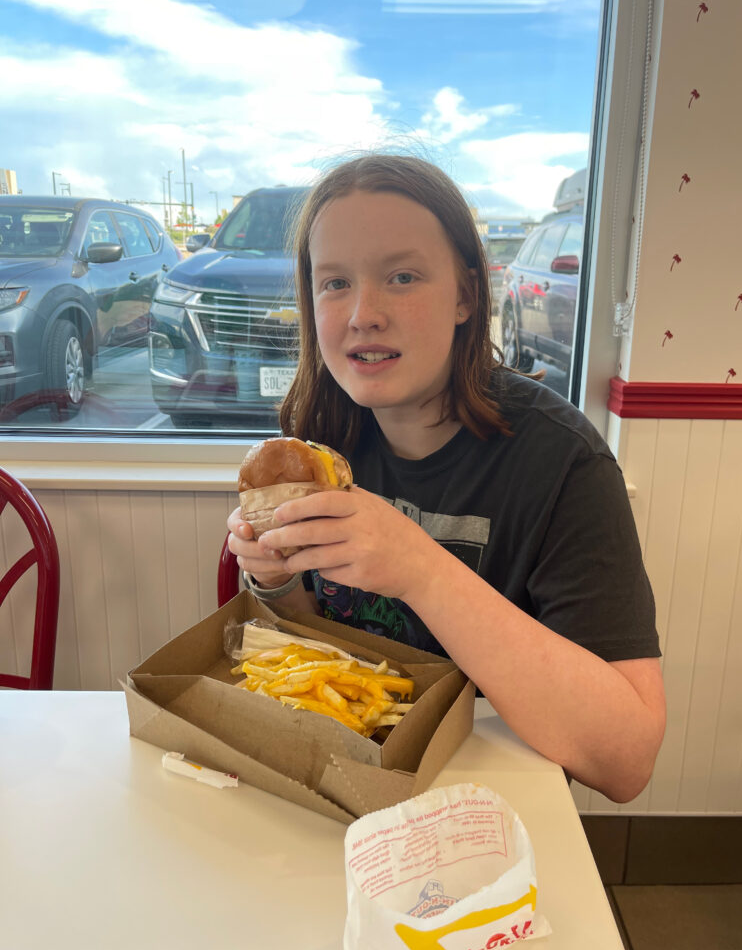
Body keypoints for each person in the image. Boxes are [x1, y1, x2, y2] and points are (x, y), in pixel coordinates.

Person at [227, 154, 665, 803]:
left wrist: (420, 567)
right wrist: (277, 578)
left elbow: (626, 762)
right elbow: (317, 646)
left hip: (491, 816)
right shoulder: (319, 441)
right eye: (334, 283)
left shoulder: (562, 462)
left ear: (465, 295)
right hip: (343, 788)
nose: (362, 313)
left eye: (402, 277)